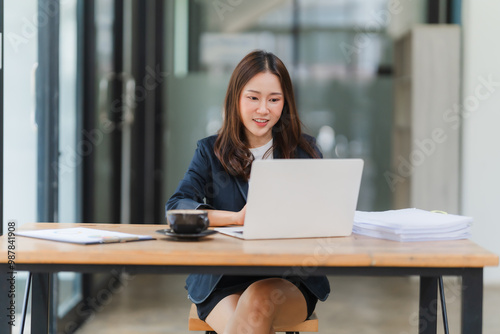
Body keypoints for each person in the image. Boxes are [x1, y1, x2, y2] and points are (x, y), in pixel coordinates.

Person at [166, 50, 330, 334]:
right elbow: (177, 208)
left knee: (257, 299)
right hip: (222, 279)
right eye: (253, 98)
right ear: (236, 99)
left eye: (274, 100)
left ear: (285, 103)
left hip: (289, 279)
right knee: (248, 321)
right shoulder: (210, 151)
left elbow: (325, 216)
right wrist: (236, 218)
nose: (263, 109)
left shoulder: (305, 152)